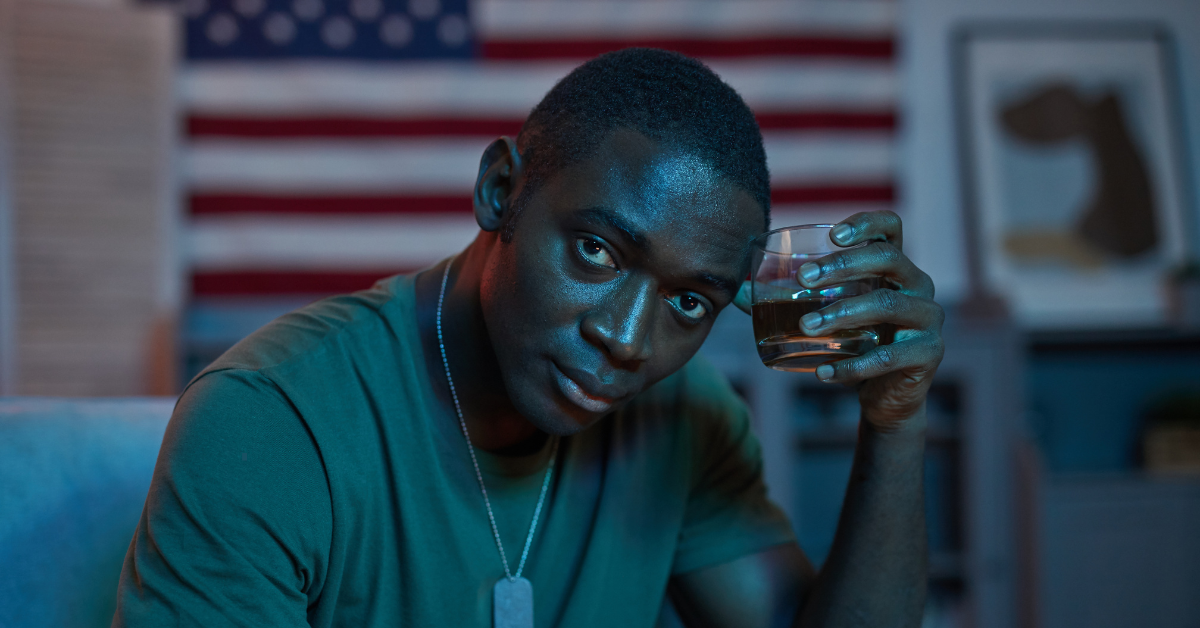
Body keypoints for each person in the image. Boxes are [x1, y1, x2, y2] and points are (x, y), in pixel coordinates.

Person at [113, 48, 943, 628]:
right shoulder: (273, 423)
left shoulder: (690, 419)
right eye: (597, 250)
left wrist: (897, 423)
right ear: (501, 190)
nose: (625, 339)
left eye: (689, 302)